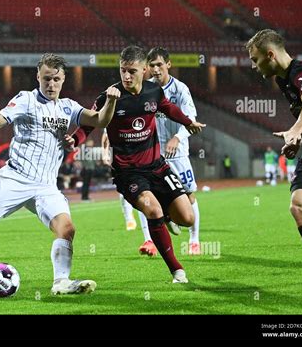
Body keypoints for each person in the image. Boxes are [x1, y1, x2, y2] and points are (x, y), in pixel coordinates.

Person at [0, 53, 121, 295]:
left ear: (64, 79)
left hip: (46, 186)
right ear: (38, 77)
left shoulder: (68, 107)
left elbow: (100, 120)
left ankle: (61, 282)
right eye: (46, 79)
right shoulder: (25, 100)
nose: (51, 84)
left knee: (67, 229)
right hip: (16, 178)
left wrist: (111, 102)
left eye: (56, 79)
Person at [69, 46, 206, 284]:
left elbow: (169, 108)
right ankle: (177, 271)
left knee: (188, 218)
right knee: (152, 209)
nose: (126, 76)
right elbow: (89, 123)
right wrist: (75, 139)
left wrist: (188, 122)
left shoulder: (154, 91)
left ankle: (166, 219)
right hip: (128, 173)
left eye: (132, 71)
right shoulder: (109, 96)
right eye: (123, 70)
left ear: (144, 70)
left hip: (157, 167)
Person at [247, 29, 302, 296]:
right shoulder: (284, 80)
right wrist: (298, 139)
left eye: (255, 59)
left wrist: (294, 130)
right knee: (300, 206)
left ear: (270, 55)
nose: (253, 65)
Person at [147, 47, 202, 255]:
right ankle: (162, 225)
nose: (155, 69)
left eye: (159, 64)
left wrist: (177, 138)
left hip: (177, 154)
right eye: (151, 65)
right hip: (154, 153)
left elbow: (190, 119)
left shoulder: (180, 90)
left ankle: (194, 240)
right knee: (151, 195)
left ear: (168, 64)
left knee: (189, 195)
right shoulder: (147, 89)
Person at [101, 130, 158, 256]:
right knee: (136, 193)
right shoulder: (115, 112)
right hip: (122, 159)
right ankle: (133, 223)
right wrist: (105, 153)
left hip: (145, 157)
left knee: (148, 195)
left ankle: (167, 220)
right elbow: (106, 134)